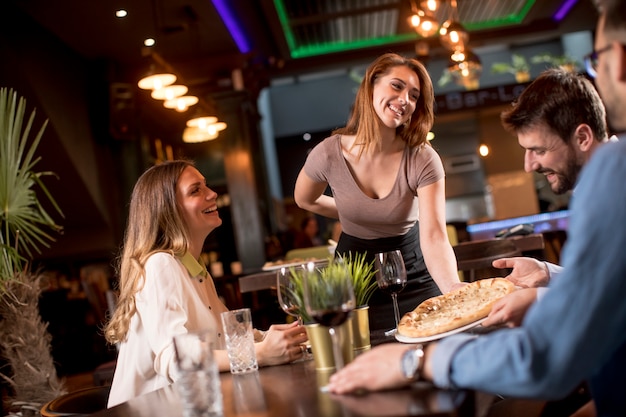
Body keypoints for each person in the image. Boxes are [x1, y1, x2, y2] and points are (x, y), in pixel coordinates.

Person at [327, 3, 626, 416]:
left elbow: (545, 358)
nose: (528, 166)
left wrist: (415, 362)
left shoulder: (615, 175)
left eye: (537, 149)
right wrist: (548, 280)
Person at [105, 160, 308, 407]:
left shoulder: (194, 268)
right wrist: (262, 353)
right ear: (169, 210)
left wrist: (272, 338)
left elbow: (225, 339)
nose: (212, 194)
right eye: (195, 190)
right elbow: (176, 360)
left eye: (206, 186)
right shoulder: (160, 264)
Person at [294, 53, 461, 331]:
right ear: (371, 86)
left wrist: (453, 287)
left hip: (413, 272)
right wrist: (349, 211)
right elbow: (303, 199)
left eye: (414, 95)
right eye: (397, 86)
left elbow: (434, 236)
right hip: (354, 276)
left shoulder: (422, 158)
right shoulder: (328, 153)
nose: (405, 99)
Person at [480, 67, 613, 328]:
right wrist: (546, 273)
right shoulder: (594, 188)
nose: (529, 166)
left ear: (583, 137)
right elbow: (601, 280)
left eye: (538, 150)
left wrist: (540, 299)